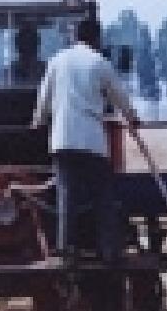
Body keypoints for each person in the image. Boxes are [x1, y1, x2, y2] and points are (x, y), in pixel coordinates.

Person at [31, 18, 138, 263]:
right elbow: (118, 95)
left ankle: (66, 249)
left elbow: (44, 98)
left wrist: (37, 121)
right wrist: (133, 118)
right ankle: (108, 249)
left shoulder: (57, 61)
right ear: (97, 39)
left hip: (62, 138)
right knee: (102, 195)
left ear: (75, 37)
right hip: (91, 140)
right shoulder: (100, 63)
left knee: (66, 193)